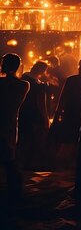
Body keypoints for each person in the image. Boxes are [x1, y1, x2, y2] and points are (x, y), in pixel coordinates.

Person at [0, 54, 30, 200]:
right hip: (11, 124)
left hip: (5, 123)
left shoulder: (2, 83)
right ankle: (14, 192)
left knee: (7, 160)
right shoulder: (24, 85)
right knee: (9, 159)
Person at [51, 58, 81, 166]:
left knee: (68, 137)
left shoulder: (71, 80)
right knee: (77, 136)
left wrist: (57, 114)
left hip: (70, 112)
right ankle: (73, 160)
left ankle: (63, 160)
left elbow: (62, 98)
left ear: (79, 66)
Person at [17, 60, 49, 169]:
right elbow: (41, 103)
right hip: (33, 113)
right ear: (41, 71)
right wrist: (45, 118)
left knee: (21, 138)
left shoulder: (22, 78)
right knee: (31, 138)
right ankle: (28, 164)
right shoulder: (38, 84)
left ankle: (18, 161)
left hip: (21, 112)